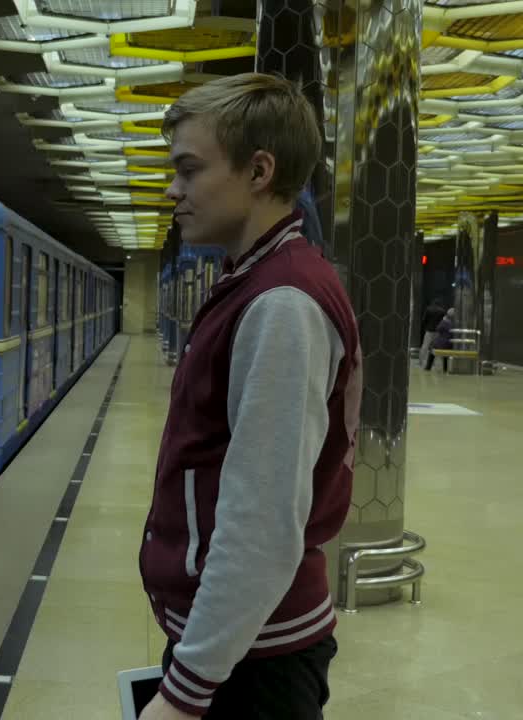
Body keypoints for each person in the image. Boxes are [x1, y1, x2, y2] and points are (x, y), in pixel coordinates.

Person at [139, 72, 362, 720]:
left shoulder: (281, 302)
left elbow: (262, 523)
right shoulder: (263, 281)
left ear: (259, 170)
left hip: (250, 667)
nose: (172, 189)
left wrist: (182, 696)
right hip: (237, 649)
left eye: (189, 168)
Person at [419, 299, 447, 371]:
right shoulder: (442, 311)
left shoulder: (429, 309)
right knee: (436, 347)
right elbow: (443, 321)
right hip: (437, 331)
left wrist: (425, 327)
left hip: (429, 330)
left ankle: (421, 361)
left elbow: (424, 320)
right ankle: (436, 364)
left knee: (425, 346)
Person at [429, 308, 455, 373]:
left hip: (443, 344)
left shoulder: (444, 322)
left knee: (432, 349)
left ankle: (428, 367)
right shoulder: (453, 323)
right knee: (445, 355)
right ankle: (445, 369)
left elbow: (438, 329)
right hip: (450, 344)